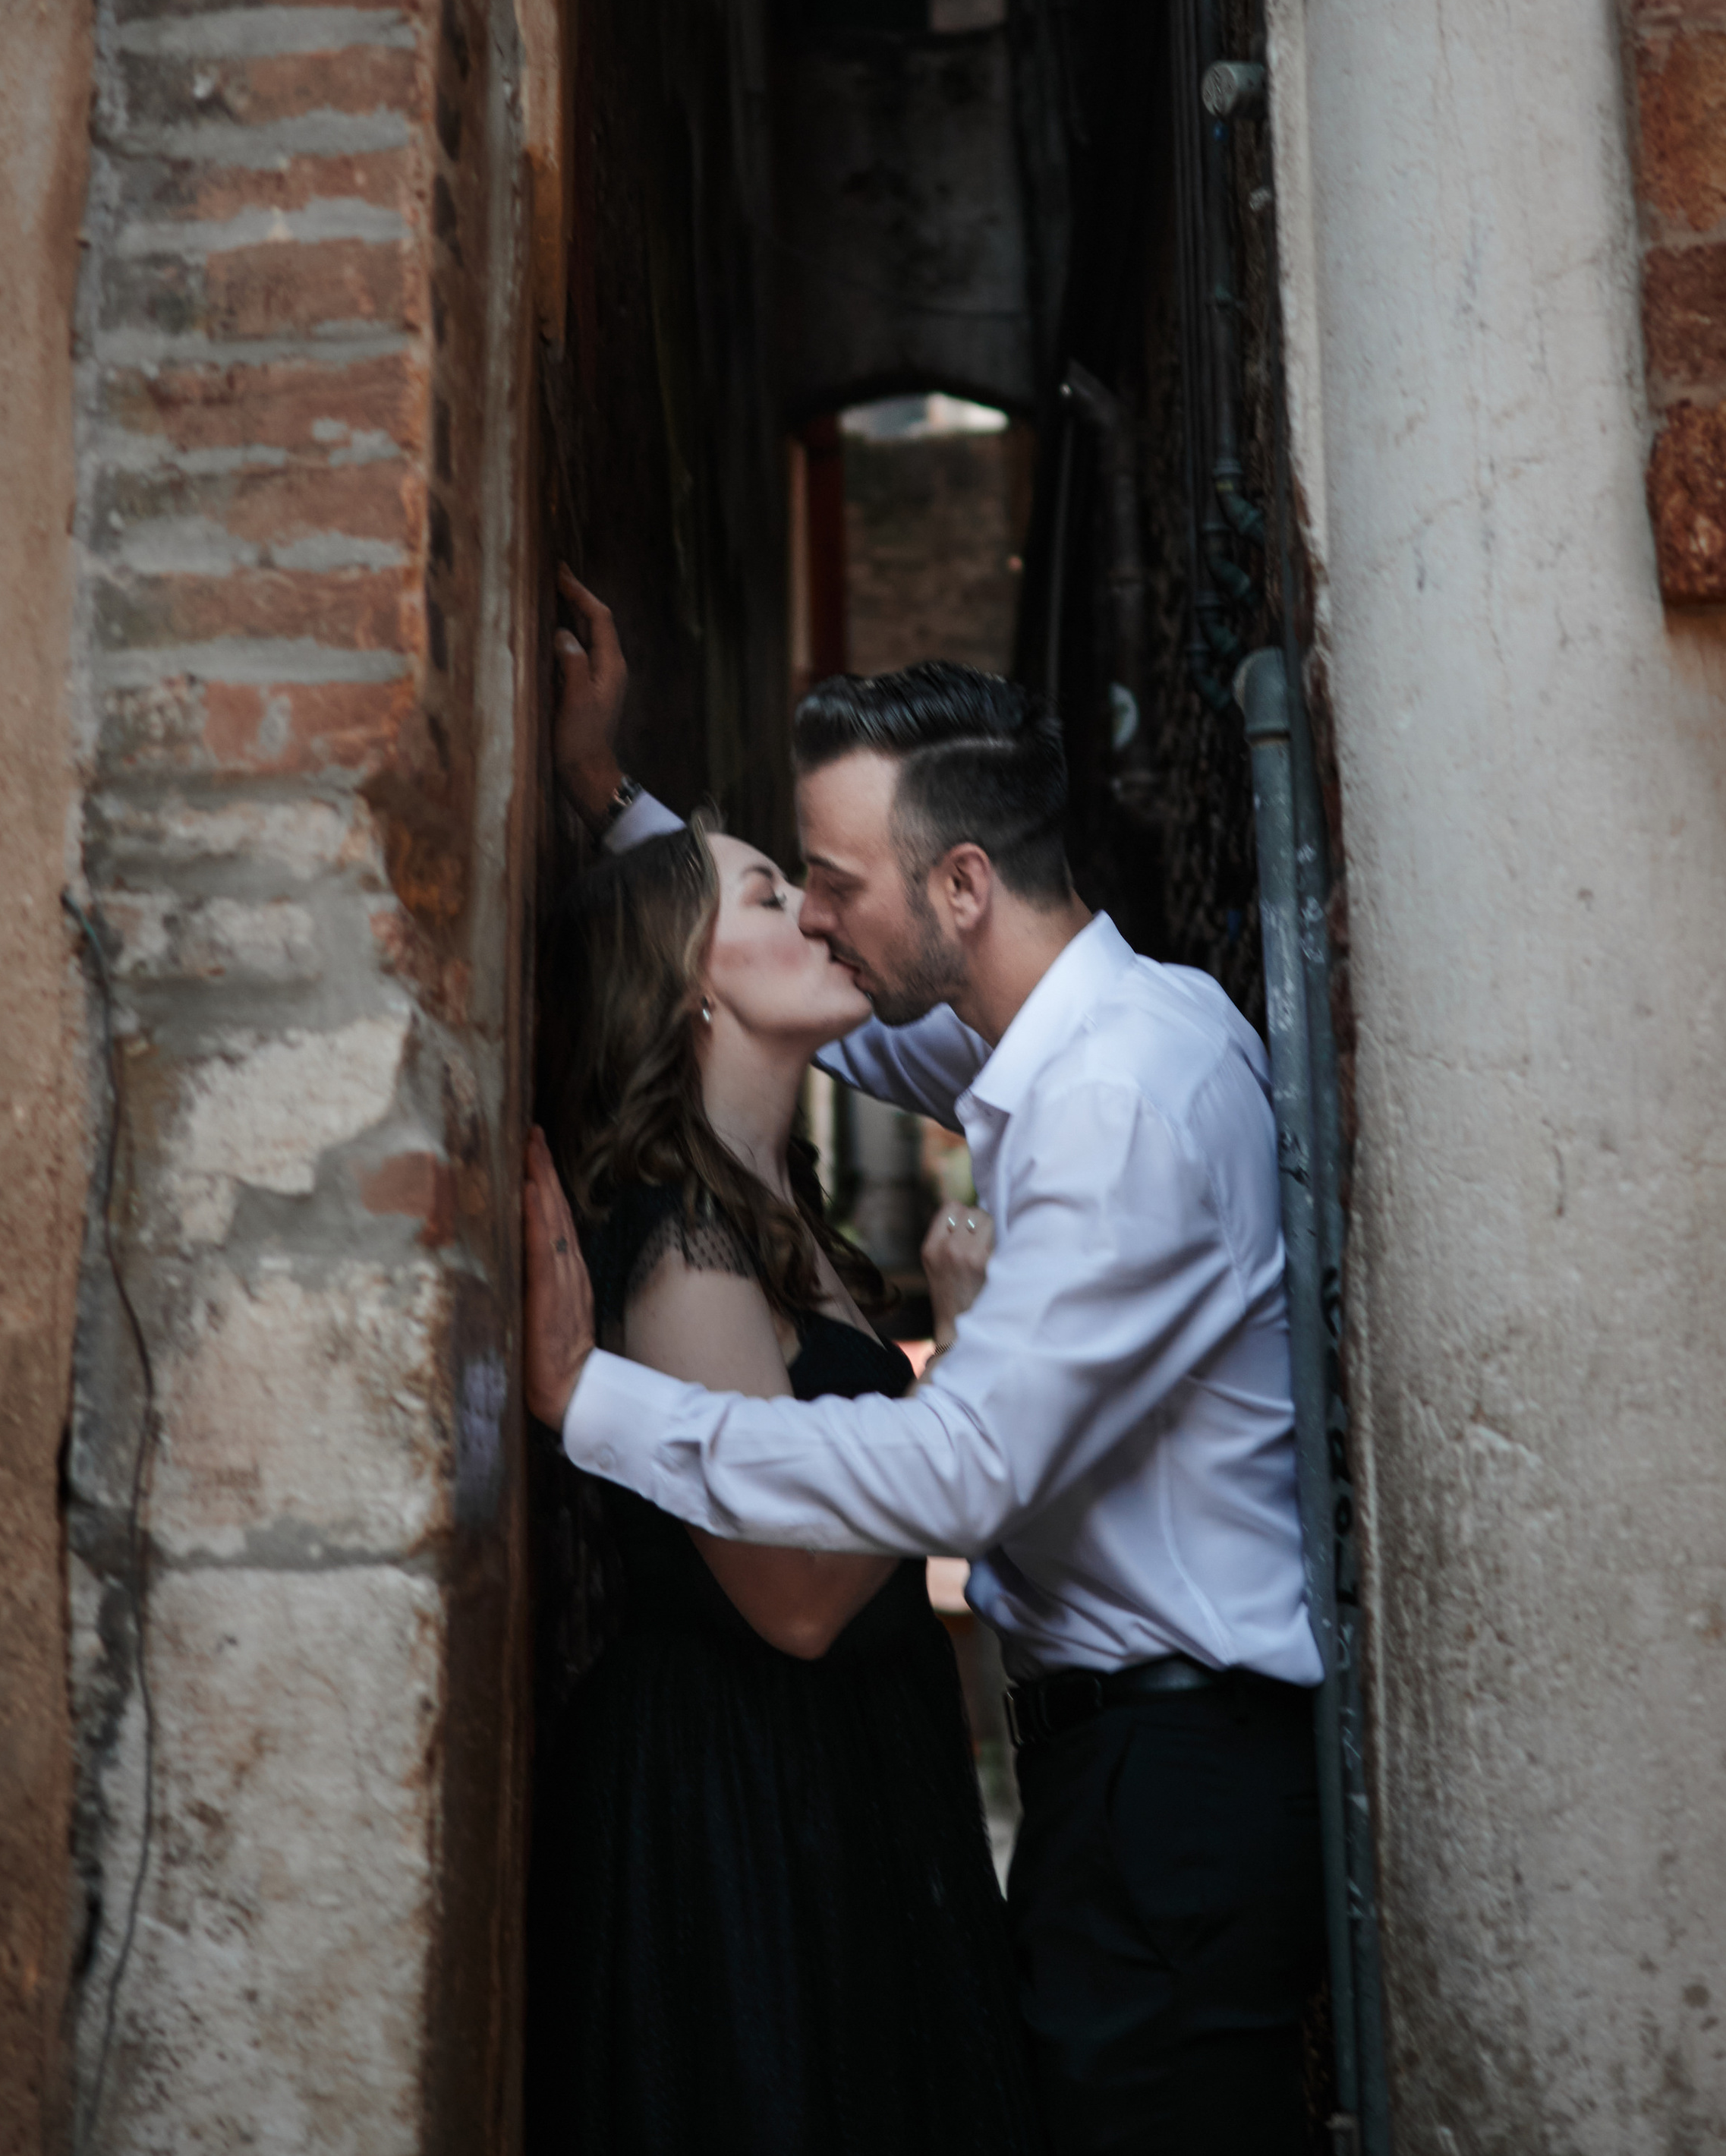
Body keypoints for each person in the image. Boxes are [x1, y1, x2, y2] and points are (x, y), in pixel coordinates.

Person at [528, 568, 1328, 2154]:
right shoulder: (1080, 1032)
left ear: (958, 884)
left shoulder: (1119, 1098)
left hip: (1173, 1773)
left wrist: (585, 1399)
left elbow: (958, 1468)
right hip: (1128, 1775)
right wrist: (608, 800)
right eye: (786, 889)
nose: (815, 912)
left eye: (827, 880)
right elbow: (823, 1008)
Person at [525, 807, 1044, 2156]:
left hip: (843, 1771)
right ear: (688, 979)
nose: (815, 914)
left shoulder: (777, 1205)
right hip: (749, 1802)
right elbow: (796, 1594)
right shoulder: (685, 1237)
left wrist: (607, 772)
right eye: (768, 896)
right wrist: (968, 1359)